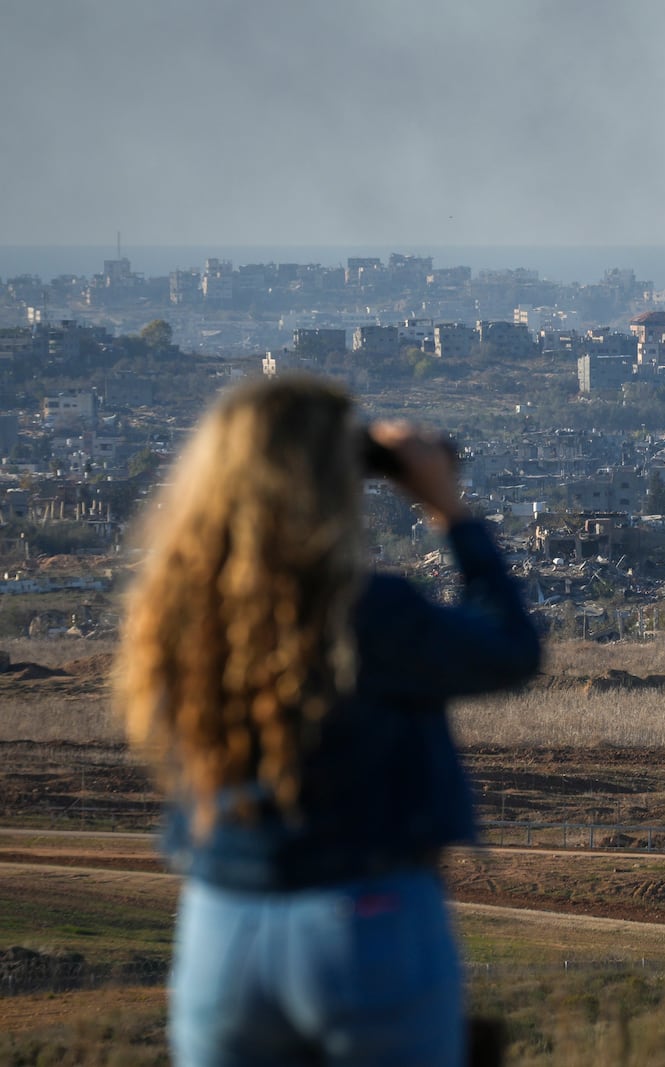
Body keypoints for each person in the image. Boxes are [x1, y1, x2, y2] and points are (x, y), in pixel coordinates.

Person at [117, 376, 541, 1066]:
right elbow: (511, 650)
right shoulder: (369, 615)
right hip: (366, 919)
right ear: (333, 480)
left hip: (221, 926)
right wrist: (450, 511)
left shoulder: (175, 611)